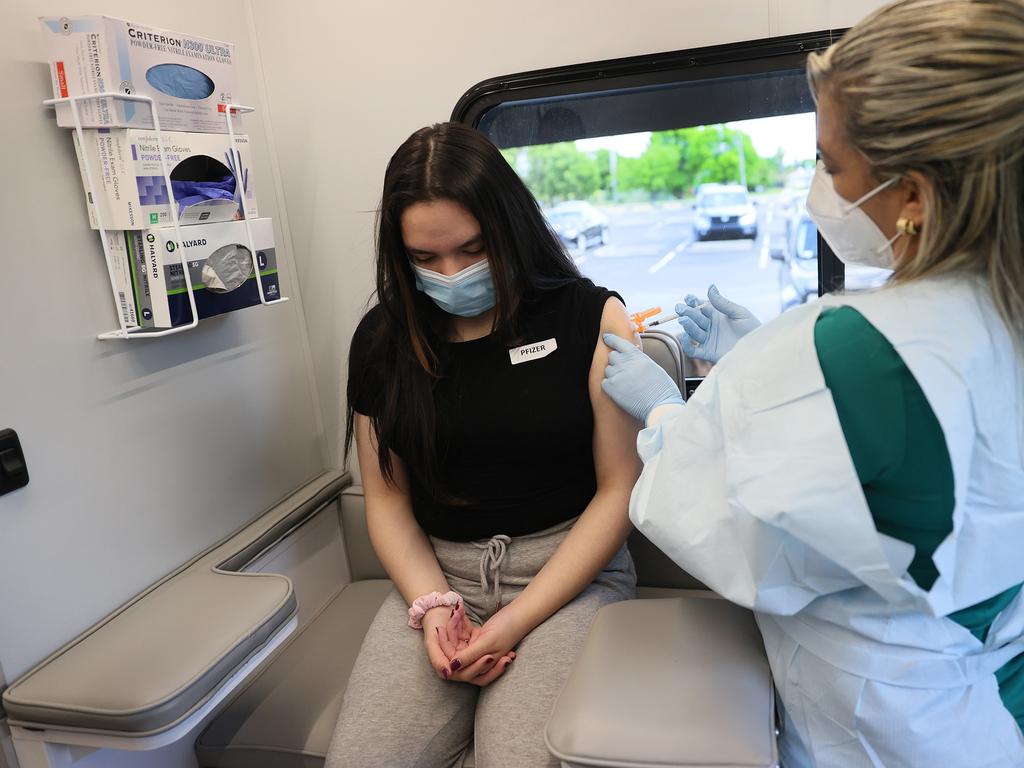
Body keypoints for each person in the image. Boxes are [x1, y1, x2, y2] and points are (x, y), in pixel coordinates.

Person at [601, 1, 1024, 765]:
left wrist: (668, 416)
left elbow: (732, 539)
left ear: (916, 195)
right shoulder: (995, 310)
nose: (819, 190)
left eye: (832, 165)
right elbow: (920, 458)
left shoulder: (845, 350)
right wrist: (758, 362)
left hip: (899, 716)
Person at [326, 122, 641, 768]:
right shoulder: (381, 343)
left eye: (472, 250)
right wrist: (433, 605)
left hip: (568, 575)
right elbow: (386, 503)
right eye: (426, 259)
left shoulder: (591, 317)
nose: (452, 274)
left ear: (508, 228)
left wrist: (512, 620)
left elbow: (619, 491)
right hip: (439, 578)